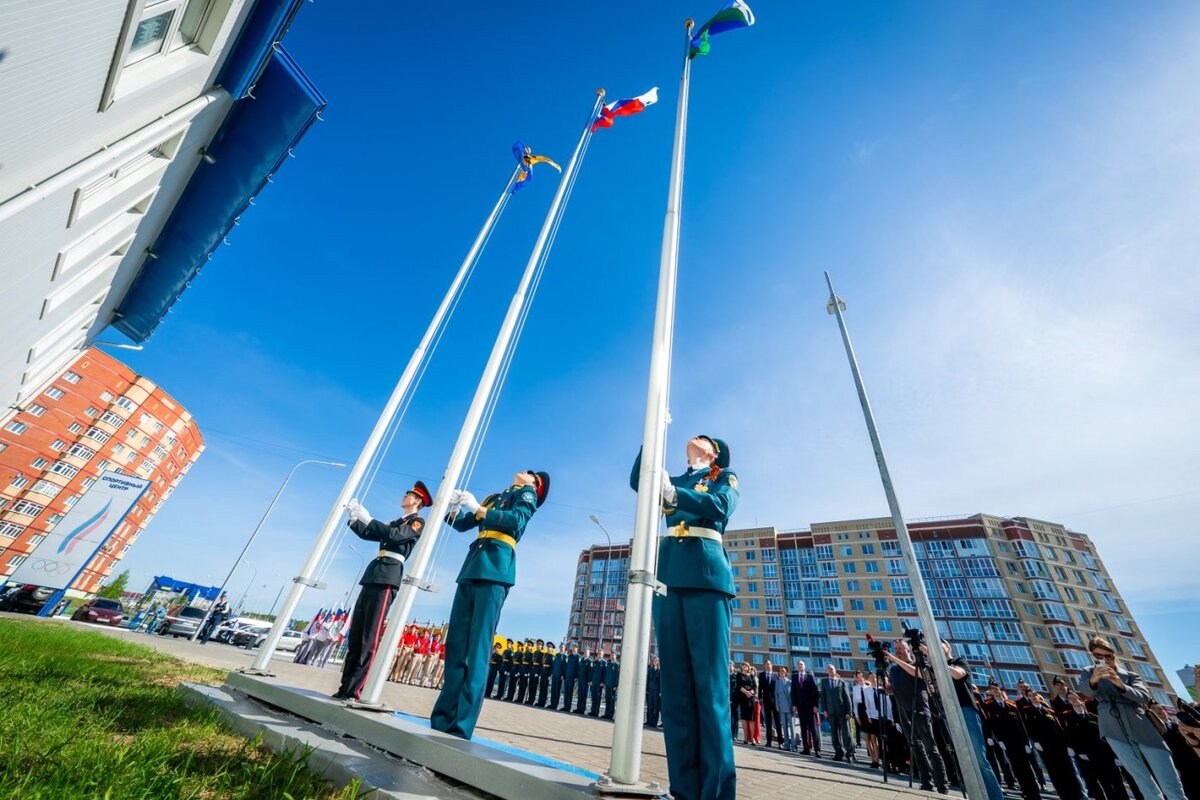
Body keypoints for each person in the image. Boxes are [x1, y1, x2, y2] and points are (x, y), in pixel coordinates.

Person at [630, 434, 739, 800]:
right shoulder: (674, 479)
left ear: (713, 454)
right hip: (670, 577)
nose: (696, 438)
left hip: (706, 577)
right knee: (675, 692)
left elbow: (721, 506)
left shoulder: (724, 476)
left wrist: (677, 497)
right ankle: (685, 790)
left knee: (709, 691)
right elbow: (639, 482)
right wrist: (652, 437)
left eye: (705, 439)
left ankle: (717, 793)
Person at [429, 470, 549, 740]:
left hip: (495, 569)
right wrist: (452, 508)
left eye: (531, 475)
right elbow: (463, 524)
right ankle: (441, 720)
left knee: (478, 650)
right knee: (456, 647)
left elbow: (515, 521)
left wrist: (478, 508)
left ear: (535, 485)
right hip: (473, 566)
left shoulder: (525, 496)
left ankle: (461, 726)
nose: (524, 472)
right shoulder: (495, 498)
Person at [333, 481, 430, 701]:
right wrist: (354, 517)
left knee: (370, 637)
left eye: (409, 495)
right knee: (356, 636)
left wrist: (368, 518)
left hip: (388, 575)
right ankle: (345, 688)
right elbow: (370, 533)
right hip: (373, 573)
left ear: (417, 501)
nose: (404, 496)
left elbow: (395, 536)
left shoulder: (416, 522)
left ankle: (356, 691)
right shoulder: (394, 522)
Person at [1077, 636, 1185, 800]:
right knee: (1145, 786)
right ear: (1093, 657)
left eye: (1108, 656)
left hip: (1141, 727)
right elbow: (1085, 692)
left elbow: (1143, 697)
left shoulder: (1130, 675)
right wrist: (1094, 679)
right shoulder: (1088, 672)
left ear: (1114, 656)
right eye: (1099, 657)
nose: (1104, 660)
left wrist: (1119, 683)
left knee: (1170, 784)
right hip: (1113, 730)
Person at [940, 640, 1005, 800]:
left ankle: (995, 797)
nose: (935, 646)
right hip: (949, 712)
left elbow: (957, 674)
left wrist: (936, 659)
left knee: (979, 759)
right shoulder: (935, 668)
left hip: (966, 710)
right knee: (964, 758)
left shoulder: (959, 661)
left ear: (948, 647)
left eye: (939, 643)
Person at [886, 638, 948, 793]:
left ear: (909, 650)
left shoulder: (918, 664)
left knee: (931, 748)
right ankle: (927, 781)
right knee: (916, 748)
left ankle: (942, 785)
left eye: (901, 648)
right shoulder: (894, 670)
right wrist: (888, 688)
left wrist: (895, 660)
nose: (898, 650)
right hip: (904, 713)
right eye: (896, 648)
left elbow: (920, 676)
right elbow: (894, 689)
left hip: (920, 710)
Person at [983, 680, 1042, 800]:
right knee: (1016, 767)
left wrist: (1026, 742)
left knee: (1027, 767)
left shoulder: (1012, 705)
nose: (995, 690)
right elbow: (990, 723)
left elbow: (1021, 724)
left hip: (1019, 740)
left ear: (1000, 691)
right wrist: (995, 738)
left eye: (997, 688)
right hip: (1005, 741)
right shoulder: (989, 706)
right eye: (992, 689)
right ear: (991, 692)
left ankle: (1034, 793)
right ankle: (1025, 790)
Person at [820, 664, 856, 762]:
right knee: (834, 733)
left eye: (832, 669)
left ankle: (849, 753)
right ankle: (838, 752)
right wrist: (824, 710)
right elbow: (822, 697)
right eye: (828, 669)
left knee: (846, 733)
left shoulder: (842, 682)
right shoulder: (824, 682)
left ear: (835, 670)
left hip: (842, 712)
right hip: (831, 712)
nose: (830, 670)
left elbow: (847, 698)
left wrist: (849, 711)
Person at [792, 659, 821, 756]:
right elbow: (793, 692)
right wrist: (794, 705)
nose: (799, 666)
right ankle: (806, 748)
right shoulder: (794, 677)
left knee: (813, 729)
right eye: (798, 664)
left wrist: (815, 705)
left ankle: (817, 749)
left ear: (804, 666)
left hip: (810, 707)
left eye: (801, 664)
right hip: (800, 707)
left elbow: (815, 692)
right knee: (803, 729)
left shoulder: (810, 676)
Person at [855, 672, 882, 768]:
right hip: (866, 716)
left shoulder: (877, 689)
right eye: (870, 677)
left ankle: (877, 759)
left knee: (874, 738)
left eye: (874, 677)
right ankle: (873, 760)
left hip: (876, 716)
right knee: (868, 738)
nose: (872, 679)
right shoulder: (860, 690)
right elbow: (861, 704)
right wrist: (858, 716)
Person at [759, 659, 784, 749]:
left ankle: (780, 742)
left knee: (777, 722)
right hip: (766, 701)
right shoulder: (761, 675)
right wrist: (760, 698)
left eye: (769, 664)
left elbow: (779, 689)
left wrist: (779, 701)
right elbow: (760, 688)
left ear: (771, 666)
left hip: (775, 701)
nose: (767, 665)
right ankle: (768, 741)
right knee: (768, 721)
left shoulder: (776, 675)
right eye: (766, 664)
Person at [736, 662, 758, 745]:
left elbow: (755, 687)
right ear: (741, 667)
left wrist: (751, 692)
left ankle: (752, 739)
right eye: (743, 665)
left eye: (746, 665)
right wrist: (746, 692)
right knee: (744, 718)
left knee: (751, 718)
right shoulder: (739, 675)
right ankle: (745, 738)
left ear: (748, 667)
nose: (745, 667)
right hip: (743, 698)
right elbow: (739, 686)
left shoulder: (751, 676)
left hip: (751, 699)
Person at [775, 666, 795, 752]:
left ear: (785, 672)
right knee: (785, 727)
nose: (781, 672)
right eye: (780, 671)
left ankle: (794, 746)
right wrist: (777, 705)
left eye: (783, 671)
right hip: (781, 707)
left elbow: (793, 695)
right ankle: (786, 744)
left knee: (792, 727)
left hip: (790, 707)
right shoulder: (777, 682)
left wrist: (794, 706)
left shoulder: (790, 682)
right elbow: (776, 695)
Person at [561, 643, 580, 712]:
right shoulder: (569, 656)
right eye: (573, 647)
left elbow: (578, 668)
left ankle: (568, 707)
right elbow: (566, 666)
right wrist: (564, 675)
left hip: (572, 677)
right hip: (567, 676)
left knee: (570, 692)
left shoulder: (578, 657)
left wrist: (576, 677)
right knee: (566, 692)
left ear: (577, 648)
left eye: (575, 647)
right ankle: (565, 706)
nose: (574, 648)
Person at [574, 648, 594, 714]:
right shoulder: (581, 660)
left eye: (587, 652)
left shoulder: (589, 661)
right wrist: (577, 677)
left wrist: (589, 680)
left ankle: (582, 709)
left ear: (589, 653)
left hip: (586, 681)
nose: (585, 653)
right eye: (585, 652)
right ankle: (578, 708)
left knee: (584, 695)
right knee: (579, 695)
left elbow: (590, 672)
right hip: (580, 680)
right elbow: (578, 670)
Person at [589, 651, 606, 717]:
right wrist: (590, 680)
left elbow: (604, 673)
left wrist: (603, 682)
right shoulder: (594, 662)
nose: (600, 655)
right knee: (593, 697)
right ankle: (592, 711)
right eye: (599, 654)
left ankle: (596, 712)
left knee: (598, 698)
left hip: (599, 684)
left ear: (603, 655)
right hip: (593, 682)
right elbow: (591, 672)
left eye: (601, 654)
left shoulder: (604, 663)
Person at [646, 656, 662, 728]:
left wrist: (660, 692)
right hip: (650, 690)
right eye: (654, 660)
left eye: (656, 661)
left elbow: (661, 682)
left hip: (656, 691)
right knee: (650, 706)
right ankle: (649, 721)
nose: (655, 662)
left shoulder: (660, 671)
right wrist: (647, 689)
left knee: (656, 707)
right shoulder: (650, 670)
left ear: (658, 662)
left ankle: (654, 723)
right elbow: (648, 680)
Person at [602, 651, 619, 720]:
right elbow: (605, 674)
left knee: (611, 701)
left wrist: (616, 685)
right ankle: (606, 713)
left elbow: (617, 676)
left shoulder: (617, 665)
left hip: (613, 686)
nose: (612, 656)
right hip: (607, 685)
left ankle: (610, 715)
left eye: (613, 655)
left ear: (616, 656)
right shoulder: (608, 664)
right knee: (607, 699)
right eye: (611, 655)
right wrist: (605, 683)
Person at [549, 642, 566, 709]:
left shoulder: (565, 656)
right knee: (553, 689)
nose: (561, 648)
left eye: (563, 647)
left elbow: (564, 667)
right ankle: (552, 703)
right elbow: (554, 665)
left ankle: (555, 704)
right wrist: (552, 673)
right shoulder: (557, 655)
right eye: (561, 647)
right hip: (554, 674)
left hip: (559, 676)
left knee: (557, 690)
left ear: (564, 649)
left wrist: (562, 675)